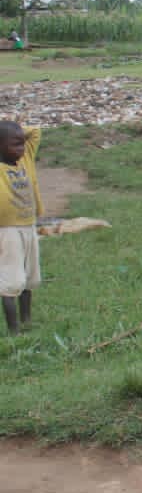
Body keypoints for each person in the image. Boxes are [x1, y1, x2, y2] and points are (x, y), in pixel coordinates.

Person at [0, 121, 43, 335]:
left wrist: (14, 132)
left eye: (21, 144)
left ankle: (27, 322)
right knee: (11, 282)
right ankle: (14, 331)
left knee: (29, 279)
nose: (20, 148)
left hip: (28, 226)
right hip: (7, 231)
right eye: (14, 145)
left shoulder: (25, 159)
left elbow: (34, 132)